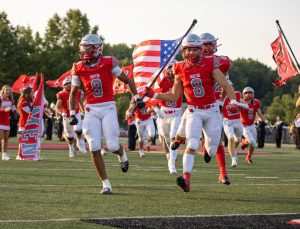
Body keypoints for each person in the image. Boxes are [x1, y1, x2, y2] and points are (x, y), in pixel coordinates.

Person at [144, 34, 237, 193]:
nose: (191, 53)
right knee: (193, 143)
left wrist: (233, 101)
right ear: (183, 50)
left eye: (195, 49)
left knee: (212, 150)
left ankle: (188, 142)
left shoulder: (210, 64)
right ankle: (186, 179)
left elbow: (227, 86)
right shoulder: (179, 68)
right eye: (188, 49)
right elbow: (174, 96)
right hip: (194, 110)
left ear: (200, 50)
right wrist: (154, 95)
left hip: (212, 110)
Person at [69, 34, 145, 195]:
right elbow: (73, 92)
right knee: (94, 145)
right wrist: (71, 113)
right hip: (90, 109)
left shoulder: (108, 63)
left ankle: (122, 154)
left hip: (108, 106)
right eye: (83, 48)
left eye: (88, 48)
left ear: (97, 49)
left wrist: (137, 98)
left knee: (111, 145)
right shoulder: (78, 67)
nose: (85, 51)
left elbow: (128, 81)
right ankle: (106, 184)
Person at [170, 32, 233, 185]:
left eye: (211, 44)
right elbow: (179, 82)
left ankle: (221, 171)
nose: (208, 48)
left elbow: (226, 84)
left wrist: (223, 100)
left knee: (215, 142)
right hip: (194, 105)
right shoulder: (184, 64)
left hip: (213, 104)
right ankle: (179, 141)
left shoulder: (220, 62)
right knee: (188, 133)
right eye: (206, 44)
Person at [151, 59, 183, 174]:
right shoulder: (160, 80)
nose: (171, 70)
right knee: (165, 138)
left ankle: (172, 163)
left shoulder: (180, 79)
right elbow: (151, 98)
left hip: (176, 112)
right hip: (164, 113)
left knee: (173, 136)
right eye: (169, 67)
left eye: (173, 67)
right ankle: (168, 155)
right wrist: (155, 108)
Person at [56, 77, 87, 157]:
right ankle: (71, 148)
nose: (68, 85)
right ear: (63, 85)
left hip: (76, 113)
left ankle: (80, 143)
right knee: (70, 136)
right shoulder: (62, 94)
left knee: (78, 129)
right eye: (66, 84)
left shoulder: (78, 91)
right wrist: (61, 113)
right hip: (67, 116)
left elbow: (80, 102)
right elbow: (57, 107)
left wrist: (83, 111)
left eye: (69, 83)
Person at [222, 81, 248, 167]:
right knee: (231, 138)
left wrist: (237, 103)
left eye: (231, 86)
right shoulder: (221, 98)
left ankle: (233, 152)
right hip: (227, 121)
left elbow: (246, 106)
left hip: (237, 121)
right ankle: (233, 159)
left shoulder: (236, 95)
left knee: (238, 139)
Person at [240, 87, 266, 164]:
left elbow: (259, 113)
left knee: (253, 143)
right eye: (246, 93)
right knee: (252, 142)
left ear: (253, 94)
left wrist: (266, 121)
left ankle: (248, 157)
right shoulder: (241, 103)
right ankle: (244, 142)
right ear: (243, 94)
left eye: (250, 93)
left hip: (251, 125)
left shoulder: (256, 102)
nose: (248, 94)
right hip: (243, 126)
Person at [16, 87, 34, 160]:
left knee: (27, 139)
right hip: (24, 122)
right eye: (31, 92)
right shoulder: (23, 101)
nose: (32, 93)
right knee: (23, 139)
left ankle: (25, 154)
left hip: (28, 122)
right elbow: (28, 111)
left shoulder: (28, 100)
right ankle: (20, 155)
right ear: (28, 93)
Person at [0, 85, 16, 160]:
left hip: (7, 121)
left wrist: (17, 111)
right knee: (1, 138)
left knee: (6, 138)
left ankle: (4, 154)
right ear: (3, 90)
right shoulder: (0, 99)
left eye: (9, 90)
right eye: (7, 90)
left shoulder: (11, 99)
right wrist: (4, 110)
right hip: (0, 121)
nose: (8, 92)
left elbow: (14, 109)